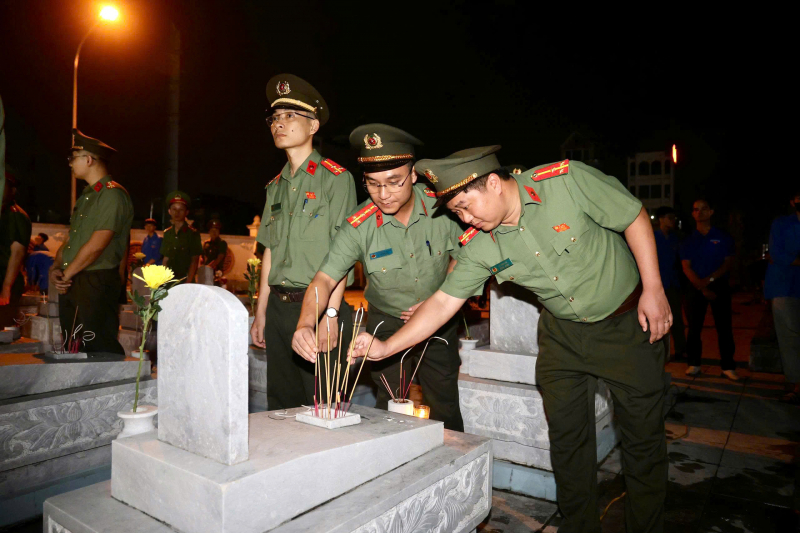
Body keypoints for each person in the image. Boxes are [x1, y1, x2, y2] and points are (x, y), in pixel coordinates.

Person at [346, 147, 672, 533]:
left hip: (625, 324)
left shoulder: (566, 182)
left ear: (495, 184)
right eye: (457, 214)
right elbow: (442, 303)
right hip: (561, 335)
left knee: (643, 440)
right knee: (568, 443)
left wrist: (653, 287)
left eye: (467, 206)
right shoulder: (481, 244)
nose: (466, 219)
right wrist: (385, 347)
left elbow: (632, 215)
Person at [292, 124, 467, 431]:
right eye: (373, 184)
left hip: (440, 319)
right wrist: (306, 323)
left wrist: (438, 299)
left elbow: (463, 257)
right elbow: (324, 279)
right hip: (386, 322)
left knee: (445, 403)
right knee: (390, 407)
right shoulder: (359, 224)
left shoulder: (442, 206)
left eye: (394, 182)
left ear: (413, 174)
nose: (383, 195)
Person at [250, 74, 357, 410]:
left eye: (290, 117)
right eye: (275, 118)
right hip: (279, 310)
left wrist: (331, 314)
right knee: (280, 406)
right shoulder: (274, 187)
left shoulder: (336, 181)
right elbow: (269, 252)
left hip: (318, 307)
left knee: (321, 405)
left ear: (313, 126)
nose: (279, 124)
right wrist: (261, 312)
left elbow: (344, 255)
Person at [50, 129, 133, 355]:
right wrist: (57, 268)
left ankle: (108, 390)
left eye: (73, 158)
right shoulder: (88, 196)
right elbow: (71, 240)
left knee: (98, 347)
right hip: (74, 279)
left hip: (95, 280)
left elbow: (97, 244)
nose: (70, 164)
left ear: (88, 159)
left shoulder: (112, 195)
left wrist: (66, 275)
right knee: (73, 345)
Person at [680, 199, 737, 380]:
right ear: (693, 213)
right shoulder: (688, 240)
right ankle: (694, 364)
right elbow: (686, 266)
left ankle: (728, 366)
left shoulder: (722, 237)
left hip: (718, 284)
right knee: (694, 328)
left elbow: (728, 263)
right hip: (695, 285)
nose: (700, 212)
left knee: (724, 327)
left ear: (711, 212)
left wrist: (710, 280)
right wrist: (702, 286)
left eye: (704, 209)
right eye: (696, 209)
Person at [764, 191, 800, 404]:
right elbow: (777, 254)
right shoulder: (781, 224)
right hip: (784, 288)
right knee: (789, 338)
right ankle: (794, 383)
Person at [654, 206, 686, 360]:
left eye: (673, 218)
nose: (672, 221)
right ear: (661, 219)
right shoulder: (653, 237)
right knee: (657, 319)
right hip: (656, 285)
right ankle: (660, 353)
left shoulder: (677, 238)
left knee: (676, 318)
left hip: (673, 284)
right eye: (669, 218)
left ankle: (680, 350)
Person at [1, 170, 32, 327]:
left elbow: (17, 253)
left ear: (12, 190)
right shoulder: (3, 213)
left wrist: (6, 287)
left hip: (4, 280)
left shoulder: (15, 215)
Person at [161, 191, 202, 283]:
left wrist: (188, 282)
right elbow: (165, 259)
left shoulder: (193, 233)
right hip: (169, 280)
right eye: (174, 209)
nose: (177, 212)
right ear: (169, 211)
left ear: (186, 212)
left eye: (181, 209)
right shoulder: (167, 233)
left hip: (185, 280)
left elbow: (194, 261)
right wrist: (162, 280)